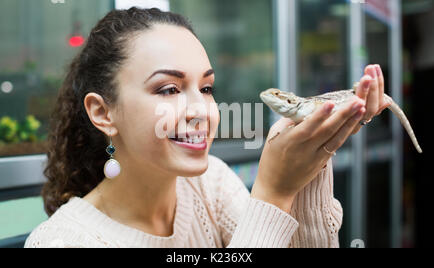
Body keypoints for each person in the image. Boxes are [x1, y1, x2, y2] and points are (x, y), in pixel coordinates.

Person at [24, 7, 389, 248]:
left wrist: (311, 161)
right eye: (168, 89)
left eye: (207, 88)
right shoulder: (64, 241)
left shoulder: (207, 183)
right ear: (103, 113)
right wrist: (274, 194)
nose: (202, 110)